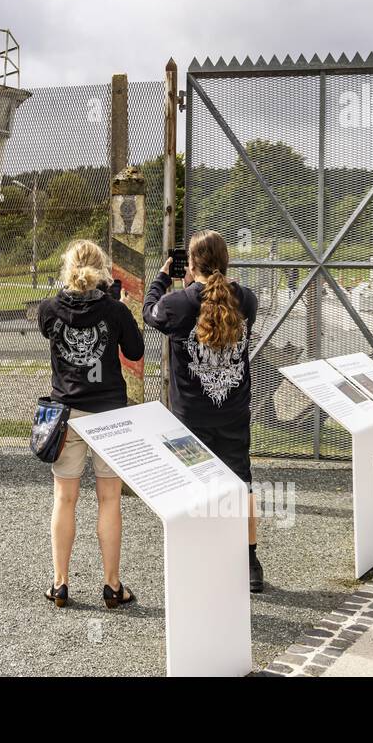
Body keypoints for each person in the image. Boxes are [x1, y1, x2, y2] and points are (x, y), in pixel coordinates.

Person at [143, 230, 265, 593]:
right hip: (232, 413)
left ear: (191, 265)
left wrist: (164, 278)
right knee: (242, 486)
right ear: (226, 263)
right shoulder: (247, 299)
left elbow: (150, 313)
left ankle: (199, 559)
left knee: (193, 488)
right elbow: (229, 306)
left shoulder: (178, 304)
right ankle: (249, 562)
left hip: (190, 418)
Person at [37, 239, 145, 609]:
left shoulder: (49, 309)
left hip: (67, 414)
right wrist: (118, 306)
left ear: (68, 269)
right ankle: (112, 585)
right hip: (109, 415)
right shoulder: (114, 310)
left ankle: (61, 583)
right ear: (102, 271)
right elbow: (135, 351)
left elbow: (51, 326)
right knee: (109, 498)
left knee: (65, 498)